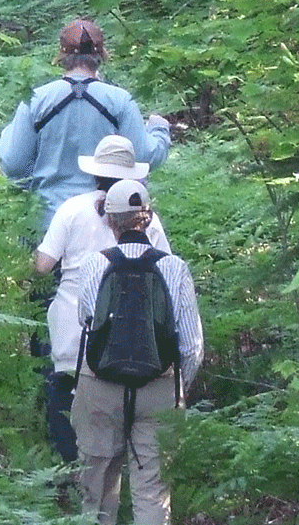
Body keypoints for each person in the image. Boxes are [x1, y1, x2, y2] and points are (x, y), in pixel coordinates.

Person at [34, 135, 171, 463]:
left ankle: (73, 495)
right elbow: (166, 269)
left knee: (71, 429)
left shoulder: (71, 209)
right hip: (125, 342)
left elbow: (43, 266)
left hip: (71, 338)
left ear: (95, 172)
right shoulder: (145, 217)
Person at [74, 179, 203, 525]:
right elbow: (191, 346)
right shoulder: (174, 268)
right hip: (157, 386)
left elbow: (86, 320)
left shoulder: (93, 265)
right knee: (153, 490)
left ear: (110, 220)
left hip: (100, 387)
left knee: (96, 486)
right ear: (147, 217)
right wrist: (176, 389)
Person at [0, 18, 172, 232]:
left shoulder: (35, 101)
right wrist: (159, 129)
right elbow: (144, 157)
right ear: (101, 56)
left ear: (62, 56)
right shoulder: (120, 101)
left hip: (47, 224)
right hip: (107, 225)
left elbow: (13, 164)